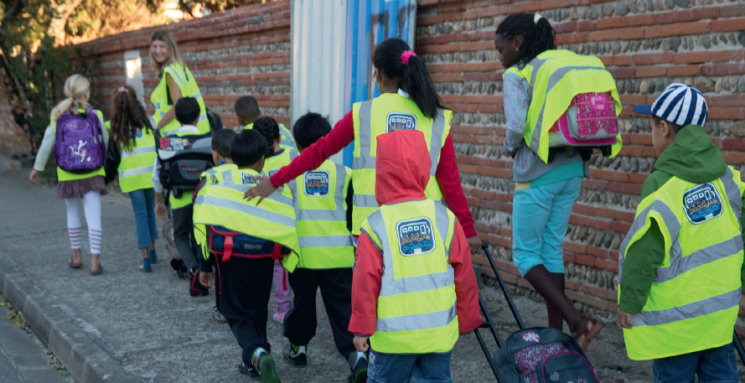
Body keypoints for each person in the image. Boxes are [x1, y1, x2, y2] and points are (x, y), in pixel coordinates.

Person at [244, 38, 481, 255]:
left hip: (372, 228)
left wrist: (275, 181)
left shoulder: (363, 114)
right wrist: (468, 230)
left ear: (378, 74)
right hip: (424, 227)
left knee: (371, 299)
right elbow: (449, 181)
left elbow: (317, 152)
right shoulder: (435, 117)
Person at [494, 13, 623, 347]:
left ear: (517, 43)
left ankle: (579, 322)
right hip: (573, 169)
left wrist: (508, 149)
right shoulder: (568, 62)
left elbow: (515, 127)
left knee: (524, 255)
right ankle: (558, 339)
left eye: (501, 48)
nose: (500, 57)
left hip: (538, 172)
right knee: (551, 249)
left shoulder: (519, 73)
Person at [617, 83, 745, 381]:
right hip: (717, 318)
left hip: (676, 327)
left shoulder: (661, 185)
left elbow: (644, 250)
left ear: (663, 128)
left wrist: (630, 301)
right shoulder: (727, 179)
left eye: (651, 125)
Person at [350, 130, 481, 383]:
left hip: (393, 340)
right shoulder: (445, 218)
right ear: (424, 168)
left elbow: (365, 282)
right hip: (438, 334)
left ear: (382, 171)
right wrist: (468, 318)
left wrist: (361, 329)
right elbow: (464, 274)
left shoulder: (375, 224)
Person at [195, 129, 300, 382]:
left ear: (230, 155)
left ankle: (256, 352)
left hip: (230, 259)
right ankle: (253, 360)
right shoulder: (273, 186)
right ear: (263, 159)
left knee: (235, 312)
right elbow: (288, 223)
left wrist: (204, 264)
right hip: (265, 259)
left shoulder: (215, 179)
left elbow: (200, 222)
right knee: (258, 309)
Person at [279, 113, 367, 382]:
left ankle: (298, 350)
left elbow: (283, 215)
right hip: (339, 257)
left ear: (296, 143)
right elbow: (354, 215)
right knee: (342, 310)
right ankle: (357, 357)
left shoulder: (291, 175)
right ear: (328, 141)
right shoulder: (344, 174)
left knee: (303, 306)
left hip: (303, 257)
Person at [29, 74, 107, 275]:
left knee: (72, 213)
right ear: (86, 93)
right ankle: (95, 262)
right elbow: (104, 142)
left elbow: (47, 144)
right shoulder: (96, 115)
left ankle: (77, 257)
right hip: (94, 171)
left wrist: (37, 168)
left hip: (67, 173)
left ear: (67, 92)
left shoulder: (58, 117)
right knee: (94, 215)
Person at [152, 97, 208, 296]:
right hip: (203, 200)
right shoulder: (209, 141)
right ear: (199, 116)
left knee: (181, 236)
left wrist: (159, 201)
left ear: (175, 117)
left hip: (179, 199)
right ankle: (205, 271)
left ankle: (193, 269)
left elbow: (156, 175)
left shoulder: (167, 143)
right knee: (200, 237)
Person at [108, 85, 159, 272]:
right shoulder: (149, 124)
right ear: (136, 102)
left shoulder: (116, 130)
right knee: (150, 211)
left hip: (132, 178)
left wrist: (107, 178)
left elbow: (112, 158)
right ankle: (153, 252)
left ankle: (145, 260)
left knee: (140, 214)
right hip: (151, 176)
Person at [253, 116, 296, 324]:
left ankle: (284, 308)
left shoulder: (258, 162)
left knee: (278, 265)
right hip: (294, 216)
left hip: (269, 220)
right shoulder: (293, 154)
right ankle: (291, 307)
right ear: (280, 135)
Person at [193, 128, 237, 323]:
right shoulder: (251, 174)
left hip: (221, 241)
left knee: (223, 276)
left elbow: (199, 223)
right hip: (248, 238)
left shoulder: (209, 177)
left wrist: (204, 264)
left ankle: (223, 311)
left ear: (214, 152)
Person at [149, 30, 210, 134]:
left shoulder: (170, 72)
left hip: (175, 135)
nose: (157, 51)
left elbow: (177, 106)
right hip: (197, 130)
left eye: (162, 46)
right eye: (154, 46)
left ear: (170, 48)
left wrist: (158, 127)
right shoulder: (180, 67)